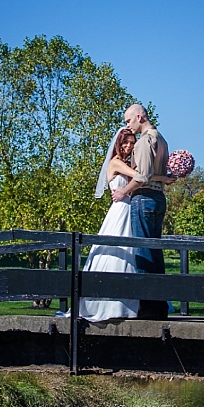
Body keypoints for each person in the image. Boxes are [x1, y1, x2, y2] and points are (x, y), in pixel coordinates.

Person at [111, 103, 171, 320]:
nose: (128, 125)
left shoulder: (145, 141)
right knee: (156, 251)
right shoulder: (162, 139)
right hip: (158, 198)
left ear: (139, 117)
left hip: (144, 198)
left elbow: (142, 176)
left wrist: (124, 192)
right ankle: (160, 304)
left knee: (143, 252)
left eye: (129, 121)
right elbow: (156, 172)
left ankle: (148, 306)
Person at [80, 127, 141, 322]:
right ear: (118, 143)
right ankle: (109, 302)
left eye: (132, 143)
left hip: (128, 208)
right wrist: (161, 175)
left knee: (130, 252)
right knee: (116, 250)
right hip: (119, 210)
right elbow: (141, 176)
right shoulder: (116, 163)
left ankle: (127, 300)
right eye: (126, 142)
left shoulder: (126, 163)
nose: (129, 146)